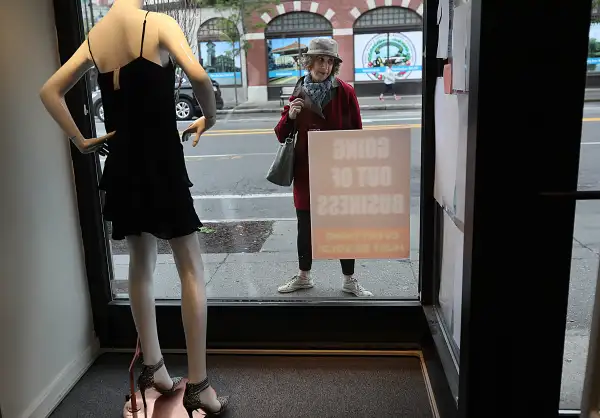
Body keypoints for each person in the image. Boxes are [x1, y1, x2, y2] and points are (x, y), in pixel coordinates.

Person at [38, 1, 228, 416]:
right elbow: (198, 76)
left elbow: (49, 91)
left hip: (121, 162)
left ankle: (154, 368)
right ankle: (199, 386)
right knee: (190, 266)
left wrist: (81, 140)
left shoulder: (96, 36)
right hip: (161, 161)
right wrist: (208, 119)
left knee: (139, 264)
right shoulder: (157, 23)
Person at [274, 38, 373, 298]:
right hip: (306, 170)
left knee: (342, 225)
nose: (325, 66)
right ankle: (304, 276)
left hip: (337, 171)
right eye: (320, 60)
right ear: (309, 62)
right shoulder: (298, 89)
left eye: (330, 61)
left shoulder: (345, 92)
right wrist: (290, 116)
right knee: (304, 225)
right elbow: (281, 132)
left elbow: (357, 133)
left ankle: (349, 279)